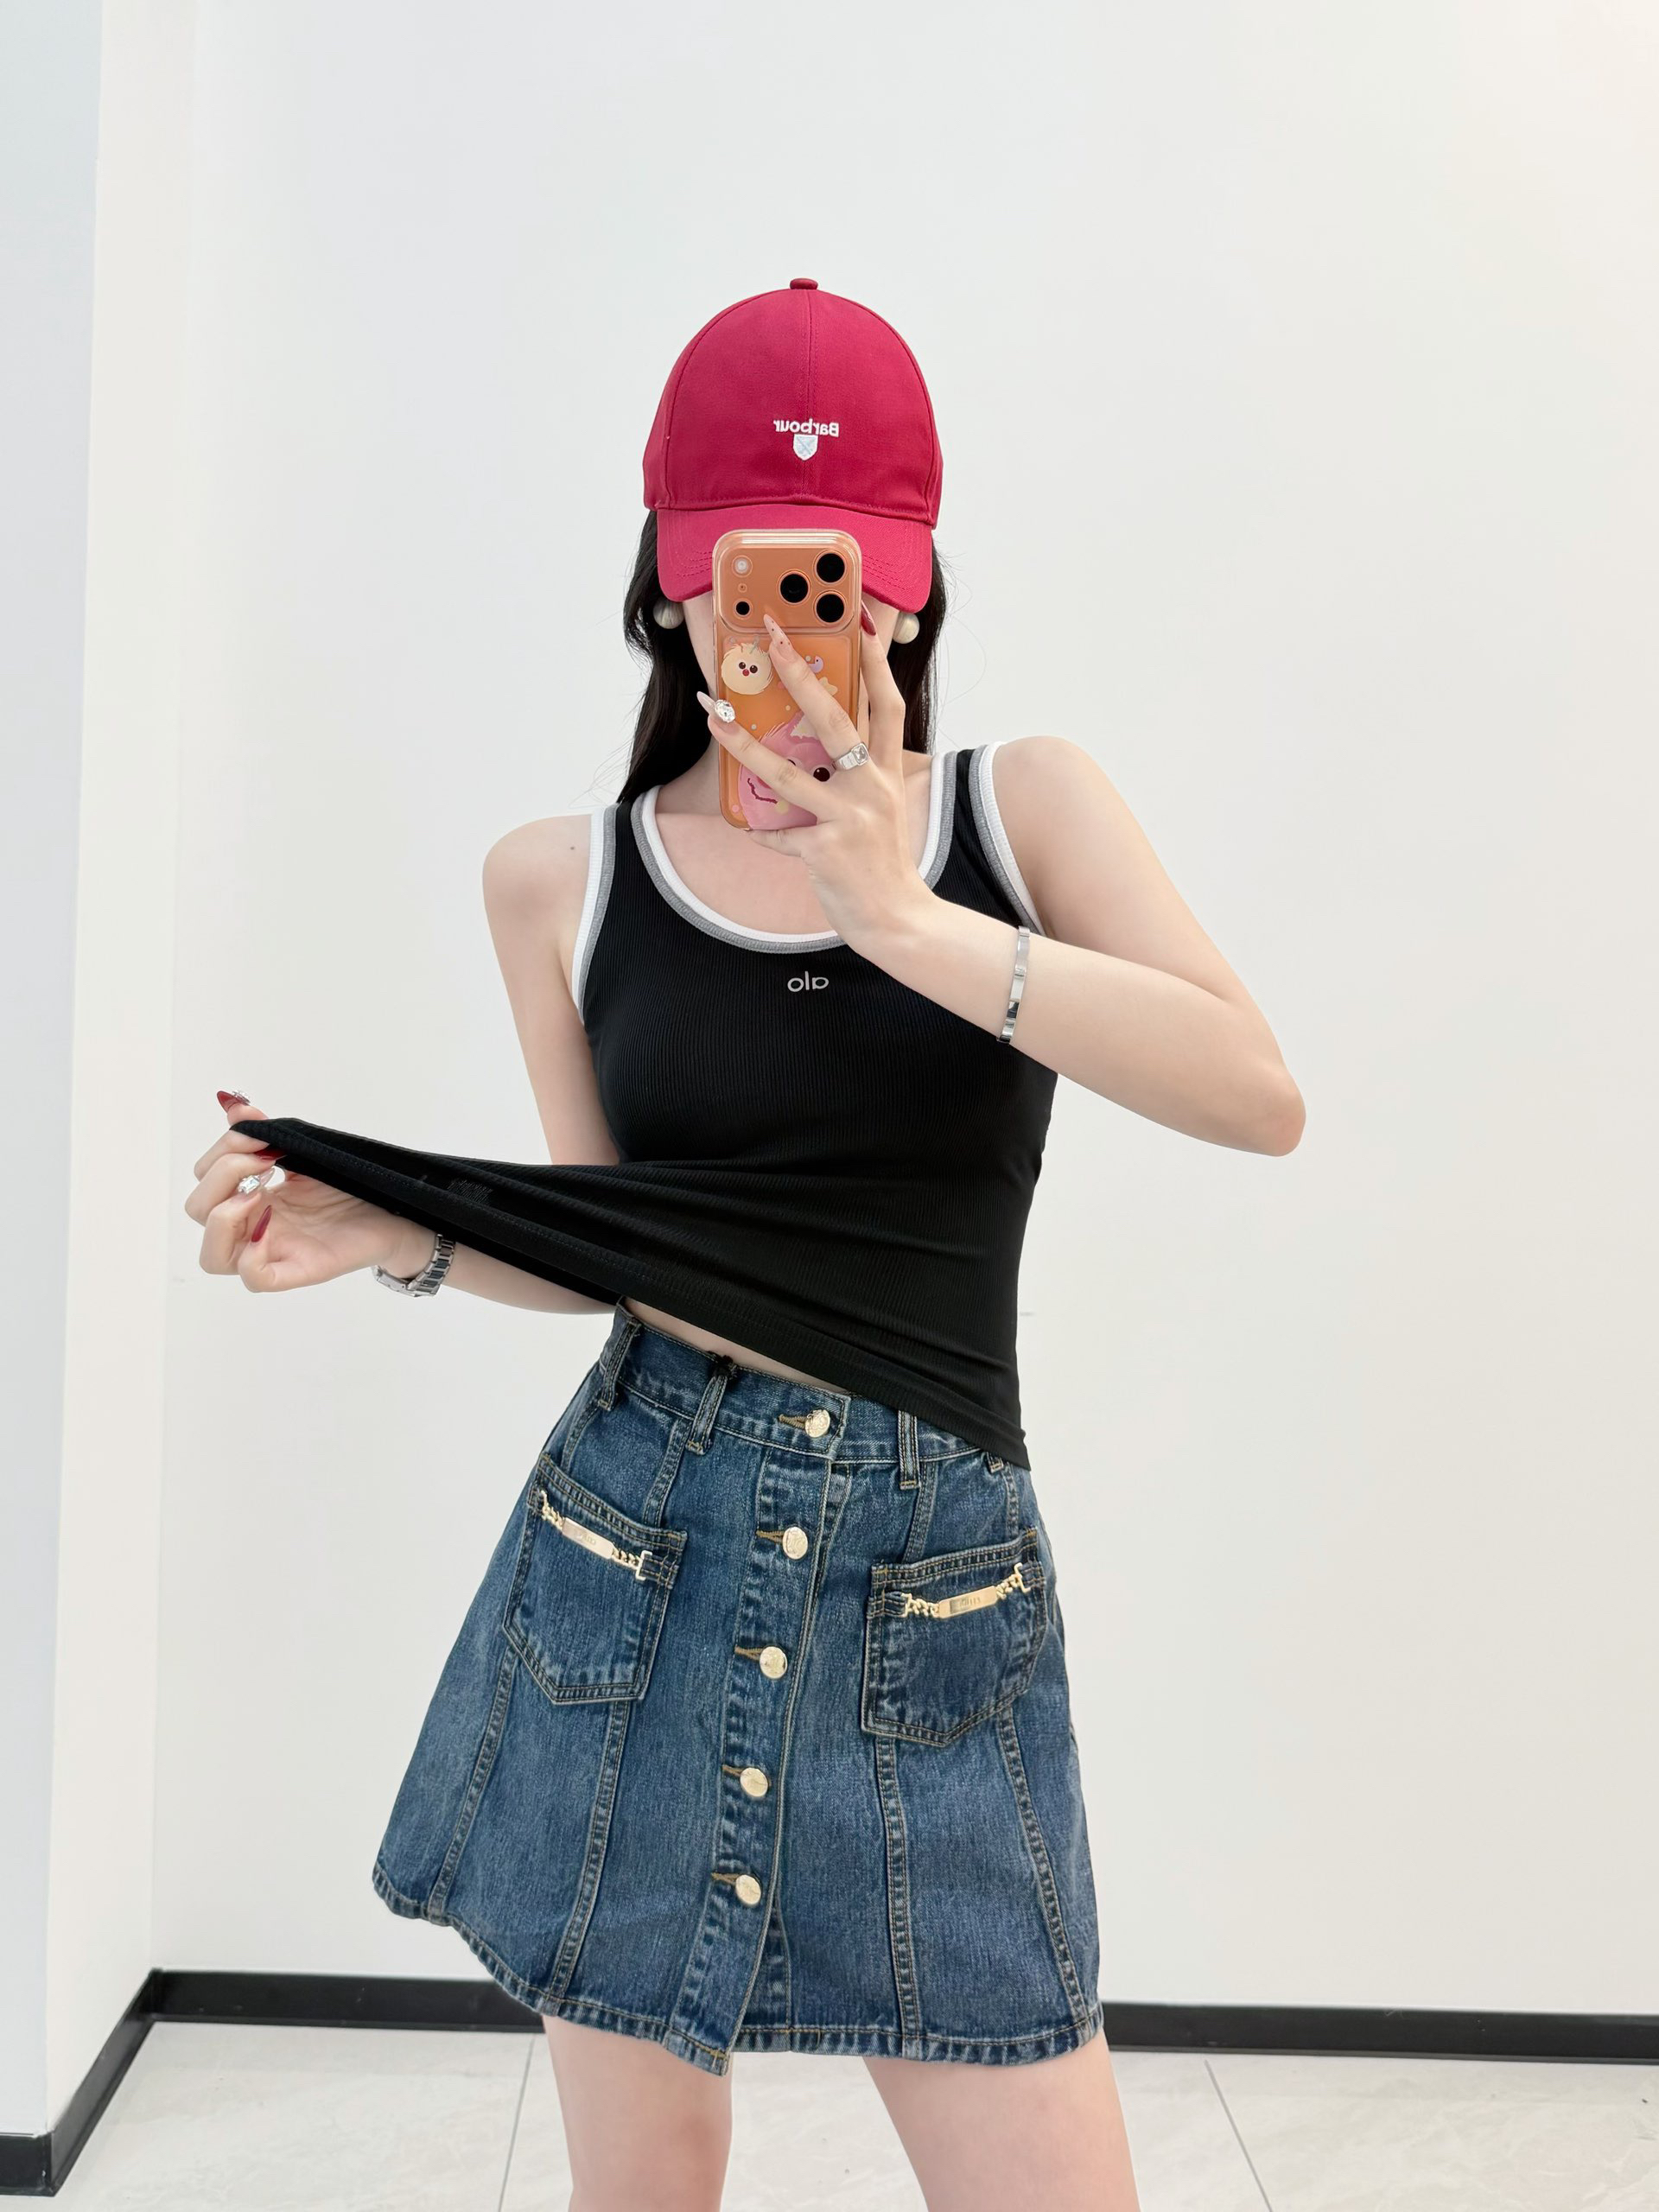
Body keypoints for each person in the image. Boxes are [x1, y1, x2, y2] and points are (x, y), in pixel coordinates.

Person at [186, 280, 1304, 2212]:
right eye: (740, 579)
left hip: (930, 1587)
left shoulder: (1020, 812)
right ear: (670, 587)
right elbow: (617, 1247)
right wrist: (396, 1230)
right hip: (635, 1552)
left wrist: (903, 918)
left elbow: (1257, 1094)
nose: (784, 629)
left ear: (906, 596)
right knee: (645, 2185)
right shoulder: (560, 877)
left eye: (829, 581)